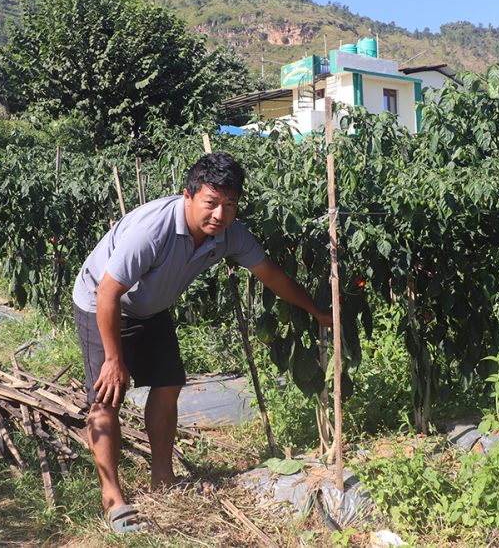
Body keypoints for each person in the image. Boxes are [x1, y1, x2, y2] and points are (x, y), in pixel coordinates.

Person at [72, 152, 331, 533]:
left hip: (151, 307)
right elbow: (109, 292)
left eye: (230, 205)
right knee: (107, 395)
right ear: (188, 196)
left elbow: (271, 275)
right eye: (211, 203)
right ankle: (112, 497)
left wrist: (317, 311)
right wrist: (114, 359)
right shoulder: (152, 230)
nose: (219, 215)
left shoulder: (230, 233)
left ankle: (163, 477)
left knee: (169, 383)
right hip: (102, 302)